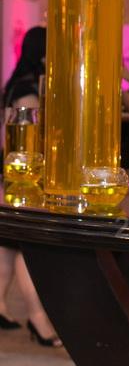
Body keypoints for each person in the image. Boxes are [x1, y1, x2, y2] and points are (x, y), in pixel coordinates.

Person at [1, 26, 61, 346]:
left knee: (9, 245)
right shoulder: (28, 90)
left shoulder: (17, 83)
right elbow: (30, 135)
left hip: (13, 170)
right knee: (27, 244)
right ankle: (38, 319)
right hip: (24, 174)